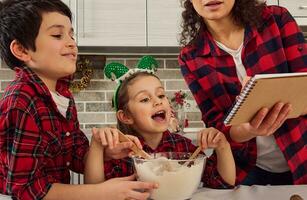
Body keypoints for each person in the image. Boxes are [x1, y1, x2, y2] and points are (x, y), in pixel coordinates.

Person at [0, 1, 158, 199]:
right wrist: (102, 192)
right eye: (58, 35)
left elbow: (75, 157)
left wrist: (103, 150)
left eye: (71, 34)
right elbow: (26, 189)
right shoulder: (21, 101)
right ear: (22, 50)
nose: (71, 43)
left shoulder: (63, 95)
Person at [178, 0, 307, 185]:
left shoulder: (275, 19)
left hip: (302, 155)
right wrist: (248, 129)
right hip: (250, 170)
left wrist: (264, 97)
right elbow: (218, 127)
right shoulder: (190, 57)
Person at [85, 57, 236, 188]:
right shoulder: (119, 152)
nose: (158, 101)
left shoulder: (184, 148)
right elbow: (94, 192)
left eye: (161, 95)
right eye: (145, 99)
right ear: (126, 116)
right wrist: (97, 146)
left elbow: (223, 182)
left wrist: (223, 145)